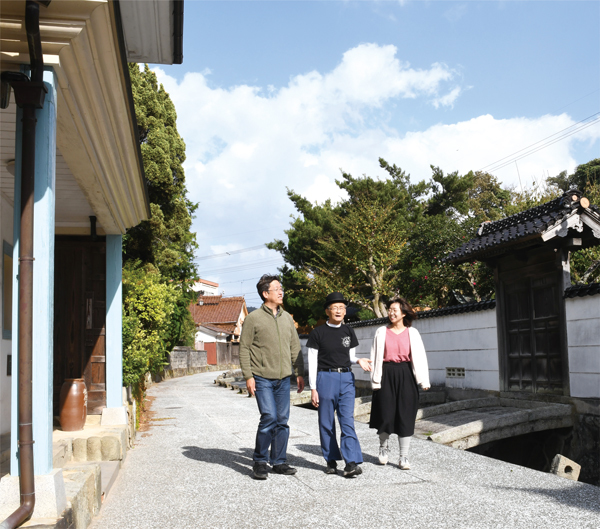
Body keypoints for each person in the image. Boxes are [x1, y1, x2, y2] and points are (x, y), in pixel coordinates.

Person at [239, 274, 305, 480]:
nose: (281, 291)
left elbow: (295, 346)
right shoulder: (253, 318)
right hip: (262, 378)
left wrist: (300, 372)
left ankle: (279, 461)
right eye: (276, 288)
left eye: (281, 288)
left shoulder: (287, 318)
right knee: (269, 417)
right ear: (265, 293)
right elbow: (244, 348)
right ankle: (259, 461)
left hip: (284, 378)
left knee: (282, 420)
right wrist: (248, 376)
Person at [306, 292, 372, 477]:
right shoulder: (317, 333)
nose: (339, 311)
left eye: (342, 308)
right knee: (326, 422)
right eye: (335, 307)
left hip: (346, 379)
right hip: (325, 378)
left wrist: (358, 361)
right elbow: (312, 362)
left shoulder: (349, 331)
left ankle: (351, 462)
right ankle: (331, 460)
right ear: (327, 310)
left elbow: (349, 357)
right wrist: (313, 388)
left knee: (347, 421)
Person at [369, 297, 430, 470]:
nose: (391, 312)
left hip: (406, 374)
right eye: (389, 309)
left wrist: (423, 380)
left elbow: (419, 357)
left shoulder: (413, 333)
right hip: (386, 373)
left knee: (405, 415)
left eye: (395, 309)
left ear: (403, 313)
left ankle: (403, 456)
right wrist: (375, 380)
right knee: (385, 414)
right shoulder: (381, 331)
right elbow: (374, 357)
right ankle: (383, 448)